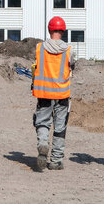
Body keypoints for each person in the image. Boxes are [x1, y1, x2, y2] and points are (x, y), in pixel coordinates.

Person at [32, 16, 73, 171]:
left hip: (43, 92)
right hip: (62, 94)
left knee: (42, 122)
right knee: (60, 126)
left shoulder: (39, 47)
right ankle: (56, 160)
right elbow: (71, 67)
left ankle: (43, 143)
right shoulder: (68, 49)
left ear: (49, 30)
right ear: (63, 31)